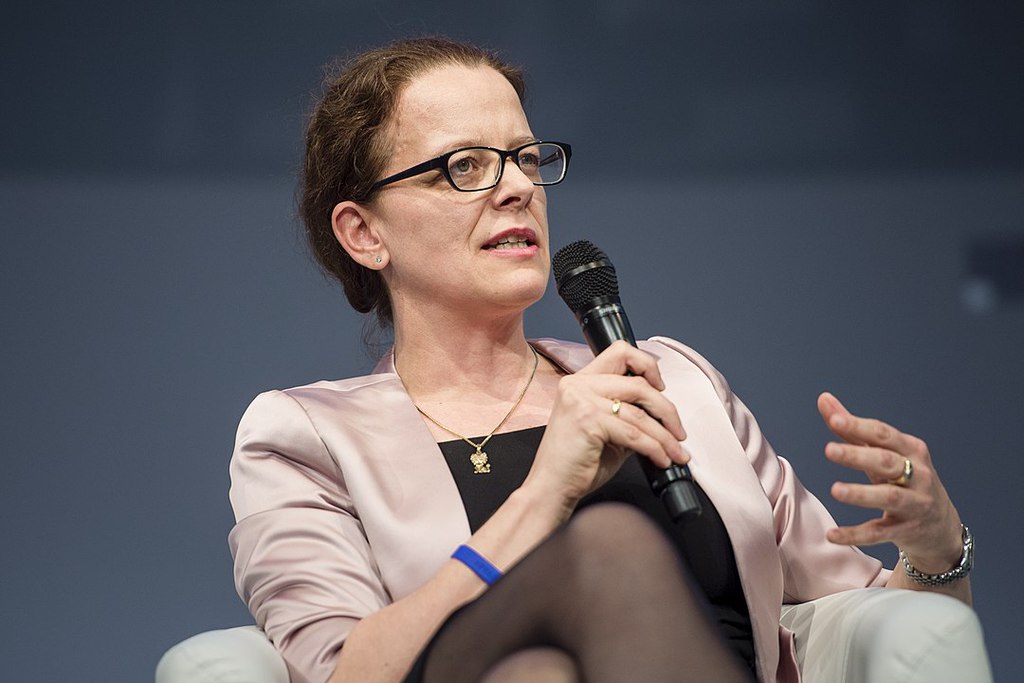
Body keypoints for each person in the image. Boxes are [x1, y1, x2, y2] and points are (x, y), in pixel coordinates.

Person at [225, 37, 982, 683]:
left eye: (526, 159)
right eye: (465, 166)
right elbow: (338, 671)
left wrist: (936, 544)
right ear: (364, 233)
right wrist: (544, 494)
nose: (517, 188)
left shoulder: (673, 381)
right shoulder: (306, 438)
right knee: (593, 570)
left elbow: (874, 625)